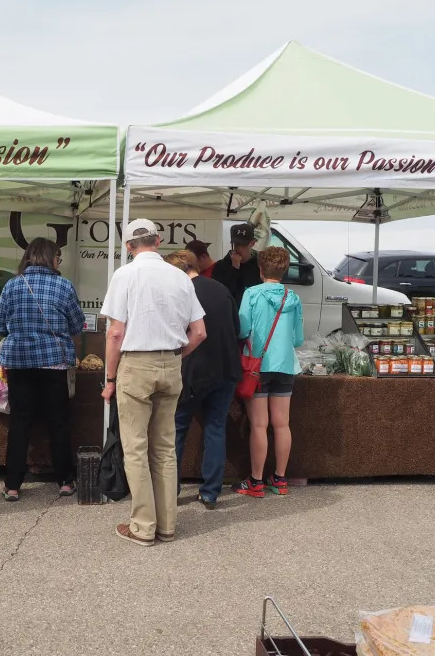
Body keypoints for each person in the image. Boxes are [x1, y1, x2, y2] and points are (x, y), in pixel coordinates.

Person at [101, 219, 207, 546]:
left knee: (135, 448)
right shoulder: (180, 276)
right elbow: (200, 332)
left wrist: (110, 378)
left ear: (129, 246)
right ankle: (167, 525)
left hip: (136, 363)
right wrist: (176, 355)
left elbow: (116, 332)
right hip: (171, 363)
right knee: (164, 449)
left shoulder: (125, 275)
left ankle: (143, 526)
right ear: (158, 241)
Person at [0, 237, 85, 501]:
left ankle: (12, 485)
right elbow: (77, 325)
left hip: (19, 363)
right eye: (58, 257)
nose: (59, 262)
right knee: (58, 422)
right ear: (51, 258)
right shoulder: (63, 286)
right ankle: (65, 481)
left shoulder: (12, 285)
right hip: (53, 362)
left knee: (20, 422)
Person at [163, 250, 240, 509]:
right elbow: (237, 329)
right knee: (215, 428)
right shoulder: (221, 289)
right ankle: (210, 493)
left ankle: (169, 492)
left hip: (192, 371)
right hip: (226, 368)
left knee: (177, 430)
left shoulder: (180, 291)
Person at [232, 246, 304, 498]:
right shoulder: (292, 297)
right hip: (286, 366)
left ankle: (256, 481)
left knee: (259, 425)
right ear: (284, 270)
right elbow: (298, 340)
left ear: (260, 269)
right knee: (282, 424)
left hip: (257, 368)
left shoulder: (251, 294)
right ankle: (281, 479)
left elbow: (241, 331)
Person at [211, 222, 262, 307]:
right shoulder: (221, 266)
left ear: (252, 243)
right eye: (237, 244)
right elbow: (221, 295)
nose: (239, 248)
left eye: (243, 244)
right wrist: (234, 269)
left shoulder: (259, 265)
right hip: (231, 314)